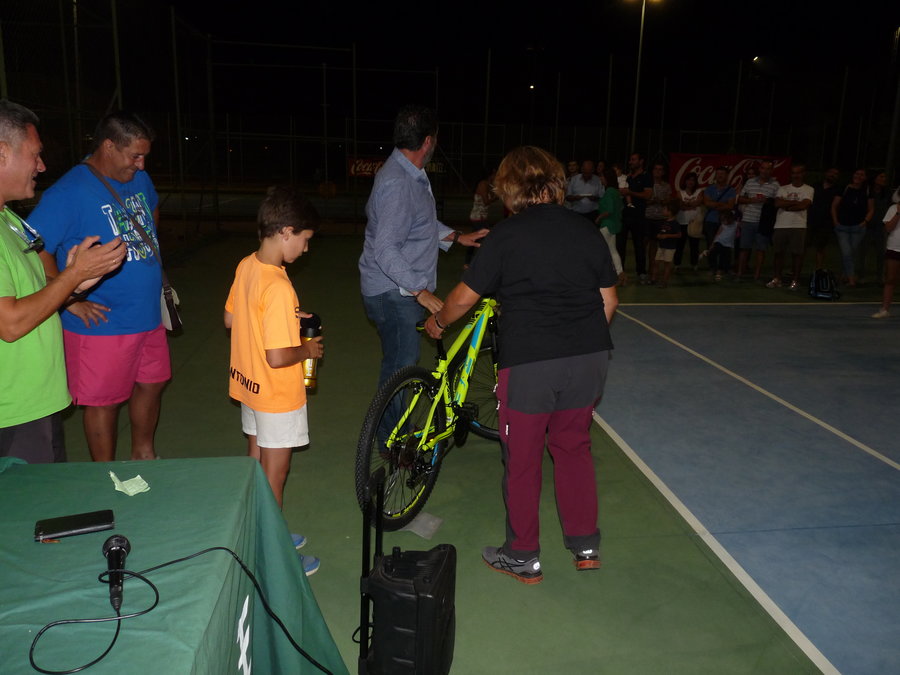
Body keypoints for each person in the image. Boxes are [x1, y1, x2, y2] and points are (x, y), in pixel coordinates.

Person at [424, 146, 618, 584]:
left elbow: (463, 299)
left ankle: (522, 555)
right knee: (573, 448)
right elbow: (609, 300)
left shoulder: (506, 236)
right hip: (588, 359)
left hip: (531, 363)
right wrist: (576, 340)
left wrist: (438, 322)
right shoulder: (586, 231)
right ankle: (585, 545)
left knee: (523, 459)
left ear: (509, 187)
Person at [31, 111, 165, 463]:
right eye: (135, 156)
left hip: (147, 314)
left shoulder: (139, 179)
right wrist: (68, 299)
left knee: (152, 384)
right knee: (104, 402)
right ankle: (104, 475)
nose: (141, 164)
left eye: (144, 156)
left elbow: (151, 211)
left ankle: (144, 454)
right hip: (103, 322)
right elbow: (34, 249)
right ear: (108, 146)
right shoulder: (69, 192)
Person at [0, 100, 124, 464]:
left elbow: (37, 293)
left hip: (36, 403)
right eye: (35, 154)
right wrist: (73, 275)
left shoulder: (10, 220)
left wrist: (77, 283)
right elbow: (10, 324)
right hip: (13, 412)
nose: (41, 166)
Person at [224, 185, 323, 575]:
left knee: (255, 465)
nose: (306, 248)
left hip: (249, 386)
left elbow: (232, 318)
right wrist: (308, 350)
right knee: (273, 477)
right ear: (286, 232)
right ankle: (272, 559)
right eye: (305, 239)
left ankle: (256, 535)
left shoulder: (247, 264)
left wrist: (281, 320)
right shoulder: (280, 285)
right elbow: (279, 356)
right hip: (277, 396)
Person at [358, 105, 487, 388]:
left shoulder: (409, 173)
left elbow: (418, 222)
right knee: (400, 367)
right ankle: (388, 420)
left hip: (396, 288)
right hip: (394, 291)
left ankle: (394, 415)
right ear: (428, 141)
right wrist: (421, 291)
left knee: (401, 364)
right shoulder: (399, 183)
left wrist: (457, 237)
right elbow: (386, 249)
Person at [767, 165, 814, 289]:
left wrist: (786, 205)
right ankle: (777, 279)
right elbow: (777, 203)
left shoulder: (808, 189)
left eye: (798, 173)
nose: (795, 175)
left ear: (803, 174)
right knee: (778, 253)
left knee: (797, 254)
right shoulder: (783, 188)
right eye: (793, 173)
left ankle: (795, 280)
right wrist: (795, 203)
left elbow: (804, 205)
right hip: (781, 225)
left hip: (798, 225)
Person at [736, 159, 780, 280]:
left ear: (771, 171)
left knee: (761, 249)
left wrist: (767, 201)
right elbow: (740, 199)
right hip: (748, 219)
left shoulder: (775, 185)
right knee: (744, 248)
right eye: (763, 168)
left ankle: (757, 275)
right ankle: (740, 273)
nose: (765, 171)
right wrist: (751, 200)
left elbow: (777, 202)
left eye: (768, 169)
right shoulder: (750, 182)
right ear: (760, 169)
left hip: (764, 221)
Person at [831, 167, 875, 287]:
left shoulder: (867, 191)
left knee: (850, 253)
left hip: (858, 228)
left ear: (865, 178)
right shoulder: (844, 188)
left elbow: (871, 209)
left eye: (862, 175)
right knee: (846, 252)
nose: (858, 176)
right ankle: (851, 279)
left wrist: (865, 222)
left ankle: (844, 276)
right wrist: (835, 221)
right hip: (842, 227)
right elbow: (834, 206)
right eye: (857, 173)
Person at [618, 152, 653, 284]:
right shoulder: (627, 177)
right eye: (630, 160)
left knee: (639, 245)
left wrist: (630, 192)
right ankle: (620, 272)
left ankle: (641, 273)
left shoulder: (646, 176)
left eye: (633, 160)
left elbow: (648, 195)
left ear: (641, 161)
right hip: (624, 215)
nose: (630, 162)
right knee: (620, 246)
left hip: (638, 216)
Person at [858, 171, 890, 284]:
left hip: (881, 226)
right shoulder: (867, 191)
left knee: (881, 252)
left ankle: (880, 277)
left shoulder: (887, 193)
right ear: (875, 178)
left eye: (884, 177)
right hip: (868, 226)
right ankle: (861, 276)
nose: (884, 179)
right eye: (881, 176)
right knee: (863, 252)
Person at [872, 188, 900, 318]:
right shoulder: (893, 208)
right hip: (894, 247)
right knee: (890, 279)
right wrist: (898, 213)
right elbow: (888, 228)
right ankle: (885, 309)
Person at [596, 166, 625, 285]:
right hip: (614, 224)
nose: (600, 178)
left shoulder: (609, 192)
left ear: (607, 177)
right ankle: (620, 274)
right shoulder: (616, 192)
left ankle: (606, 274)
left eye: (602, 176)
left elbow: (609, 210)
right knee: (613, 250)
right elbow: (620, 207)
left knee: (602, 250)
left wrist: (599, 218)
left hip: (606, 225)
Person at [807, 167, 841, 270]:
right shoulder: (815, 186)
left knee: (821, 247)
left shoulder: (838, 189)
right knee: (803, 246)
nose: (833, 175)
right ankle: (795, 270)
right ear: (826, 173)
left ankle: (818, 270)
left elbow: (835, 206)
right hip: (810, 220)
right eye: (831, 172)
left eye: (835, 174)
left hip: (826, 223)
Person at [644, 162, 672, 280]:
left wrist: (660, 201)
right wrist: (650, 201)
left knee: (654, 246)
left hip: (660, 219)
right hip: (646, 217)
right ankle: (641, 269)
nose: (658, 171)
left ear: (663, 172)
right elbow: (641, 200)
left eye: (660, 169)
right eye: (656, 169)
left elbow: (668, 201)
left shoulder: (666, 186)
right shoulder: (647, 183)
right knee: (642, 244)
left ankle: (651, 270)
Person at [702, 167, 737, 260]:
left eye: (722, 174)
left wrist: (714, 203)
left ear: (727, 176)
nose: (720, 176)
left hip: (726, 222)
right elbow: (707, 203)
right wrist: (723, 204)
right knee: (711, 244)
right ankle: (712, 265)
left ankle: (723, 266)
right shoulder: (709, 188)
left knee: (725, 245)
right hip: (711, 221)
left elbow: (730, 206)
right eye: (718, 174)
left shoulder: (731, 190)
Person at [465, 168, 497, 267]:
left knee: (475, 239)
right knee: (487, 238)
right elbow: (486, 201)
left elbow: (492, 197)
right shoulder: (483, 184)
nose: (496, 176)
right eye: (495, 174)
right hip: (478, 217)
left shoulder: (488, 184)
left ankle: (468, 262)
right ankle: (482, 262)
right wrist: (495, 197)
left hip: (481, 217)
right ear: (491, 174)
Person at [700, 207, 739, 281]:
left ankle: (722, 270)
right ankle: (713, 269)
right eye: (722, 220)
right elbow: (717, 234)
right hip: (719, 242)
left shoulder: (736, 224)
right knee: (714, 254)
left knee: (725, 257)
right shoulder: (723, 225)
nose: (723, 221)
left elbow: (740, 226)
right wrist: (713, 243)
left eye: (725, 220)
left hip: (728, 245)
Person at [674, 171, 704, 269]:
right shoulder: (680, 192)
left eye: (693, 180)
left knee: (694, 245)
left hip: (694, 222)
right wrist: (691, 205)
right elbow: (680, 205)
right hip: (682, 222)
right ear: (685, 181)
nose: (690, 182)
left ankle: (694, 264)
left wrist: (686, 205)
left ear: (695, 182)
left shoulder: (699, 191)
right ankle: (677, 264)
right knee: (679, 245)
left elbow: (698, 202)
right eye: (688, 180)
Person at [654, 199, 682, 288]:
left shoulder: (675, 223)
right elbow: (662, 231)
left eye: (664, 209)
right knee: (656, 262)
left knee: (667, 264)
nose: (663, 211)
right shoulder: (664, 221)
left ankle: (664, 282)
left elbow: (679, 235)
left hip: (669, 247)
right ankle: (654, 278)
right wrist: (659, 235)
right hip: (661, 246)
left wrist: (667, 236)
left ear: (670, 212)